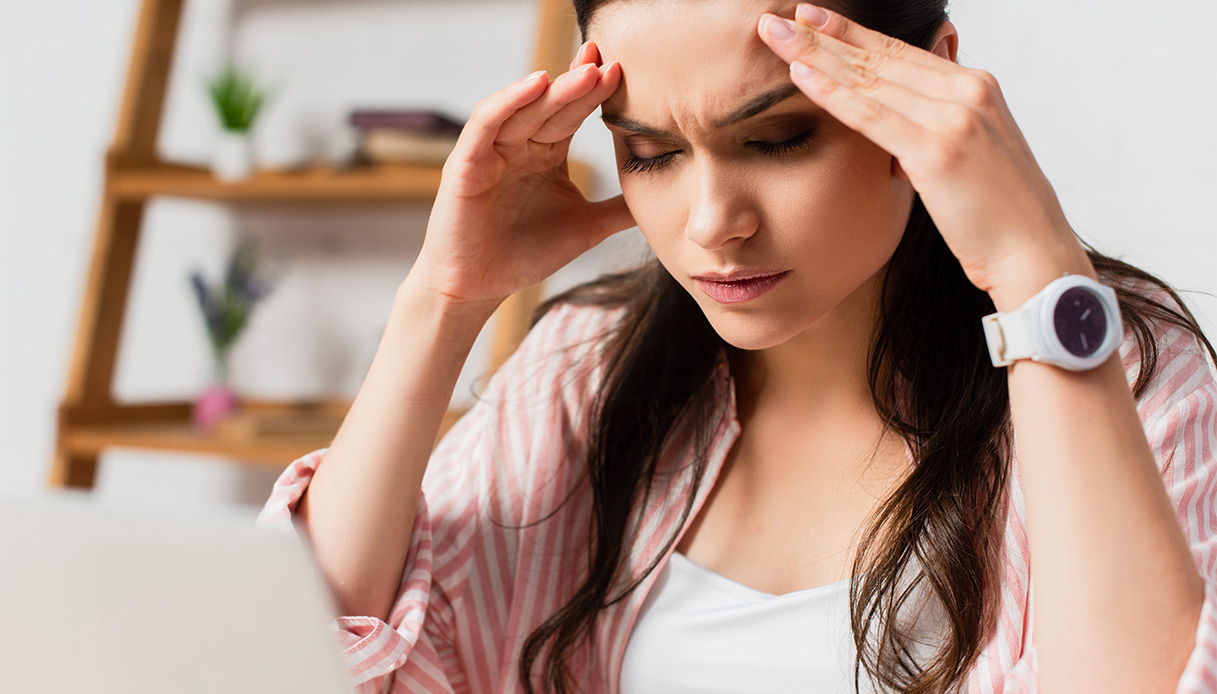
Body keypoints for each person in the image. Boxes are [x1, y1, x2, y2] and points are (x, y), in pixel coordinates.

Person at [256, 1, 1217, 693]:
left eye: (776, 139)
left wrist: (1036, 271)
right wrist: (442, 301)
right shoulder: (582, 374)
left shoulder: (1118, 377)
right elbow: (302, 658)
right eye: (651, 155)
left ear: (930, 77)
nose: (712, 224)